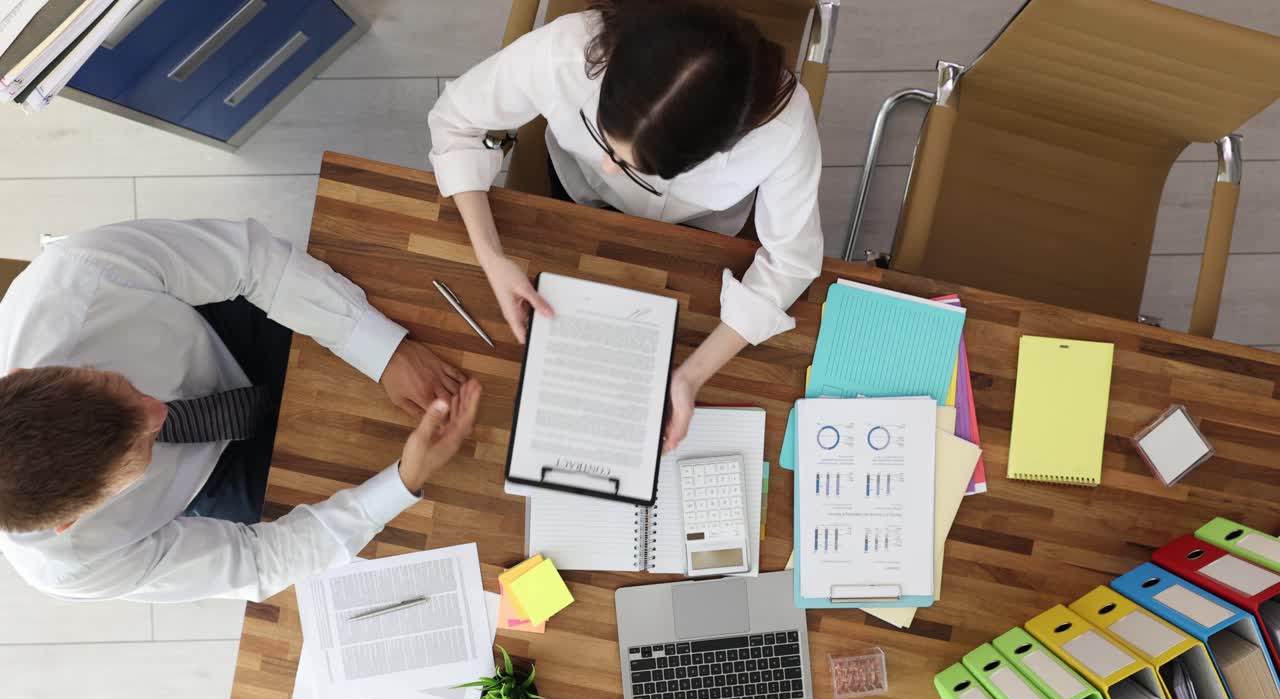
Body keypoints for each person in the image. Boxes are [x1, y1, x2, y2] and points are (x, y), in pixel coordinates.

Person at [0, 219, 480, 603]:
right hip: (212, 478)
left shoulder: (75, 275)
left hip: (226, 331)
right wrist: (402, 482)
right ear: (72, 520)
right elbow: (257, 563)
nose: (158, 412)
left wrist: (384, 351)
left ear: (22, 373)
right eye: (140, 448)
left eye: (118, 383)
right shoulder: (68, 566)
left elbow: (251, 261)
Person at [428, 0, 824, 451]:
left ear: (720, 146)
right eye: (605, 140)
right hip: (577, 197)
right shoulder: (566, 51)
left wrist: (690, 376)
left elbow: (791, 261)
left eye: (635, 163)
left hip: (699, 235)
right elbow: (456, 120)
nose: (610, 167)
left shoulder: (783, 128)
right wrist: (491, 256)